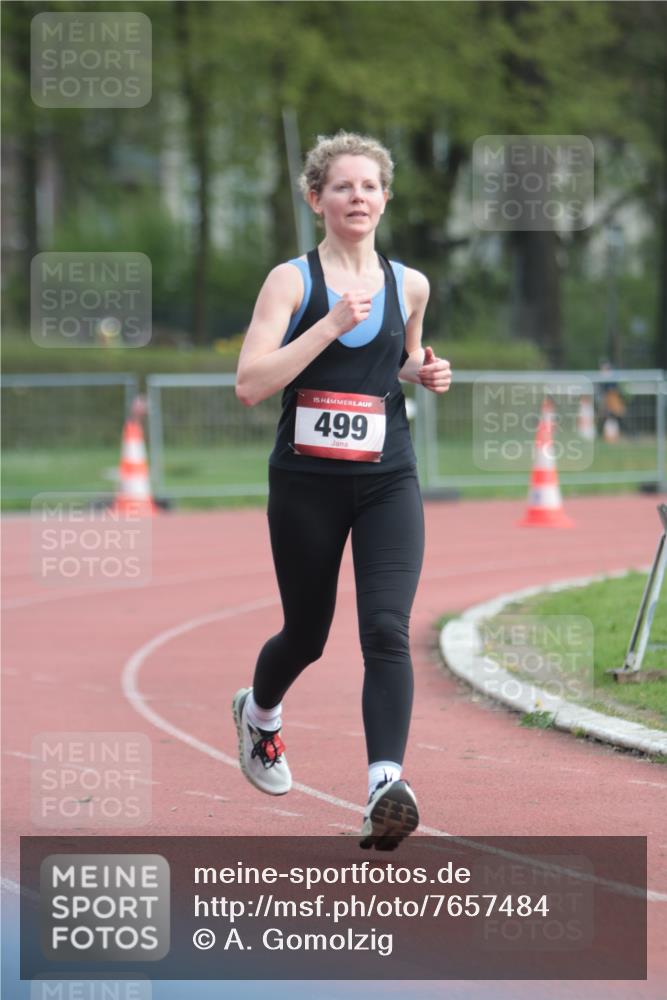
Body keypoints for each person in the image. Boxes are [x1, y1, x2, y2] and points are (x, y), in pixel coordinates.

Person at [232, 131, 452, 850]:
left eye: (368, 186)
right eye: (341, 187)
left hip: (388, 477)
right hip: (306, 483)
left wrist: (423, 371)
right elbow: (250, 384)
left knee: (386, 629)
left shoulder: (409, 283)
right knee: (307, 634)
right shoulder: (291, 282)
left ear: (385, 198)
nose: (356, 197)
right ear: (315, 199)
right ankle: (260, 715)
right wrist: (329, 323)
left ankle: (384, 784)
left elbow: (404, 355)